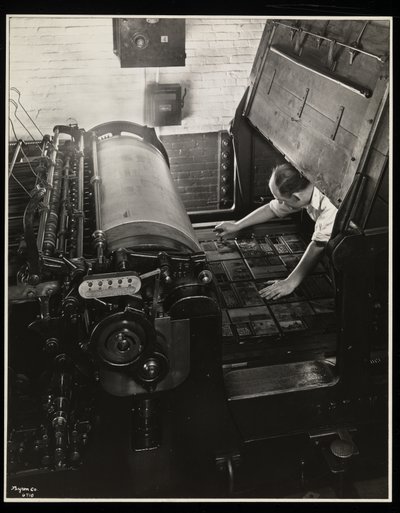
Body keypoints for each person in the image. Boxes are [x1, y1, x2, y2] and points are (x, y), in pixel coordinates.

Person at [214, 163, 338, 301]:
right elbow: (272, 209)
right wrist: (237, 225)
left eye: (281, 200)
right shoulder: (303, 190)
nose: (279, 203)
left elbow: (318, 245)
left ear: (297, 197)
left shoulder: (330, 205)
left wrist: (290, 283)